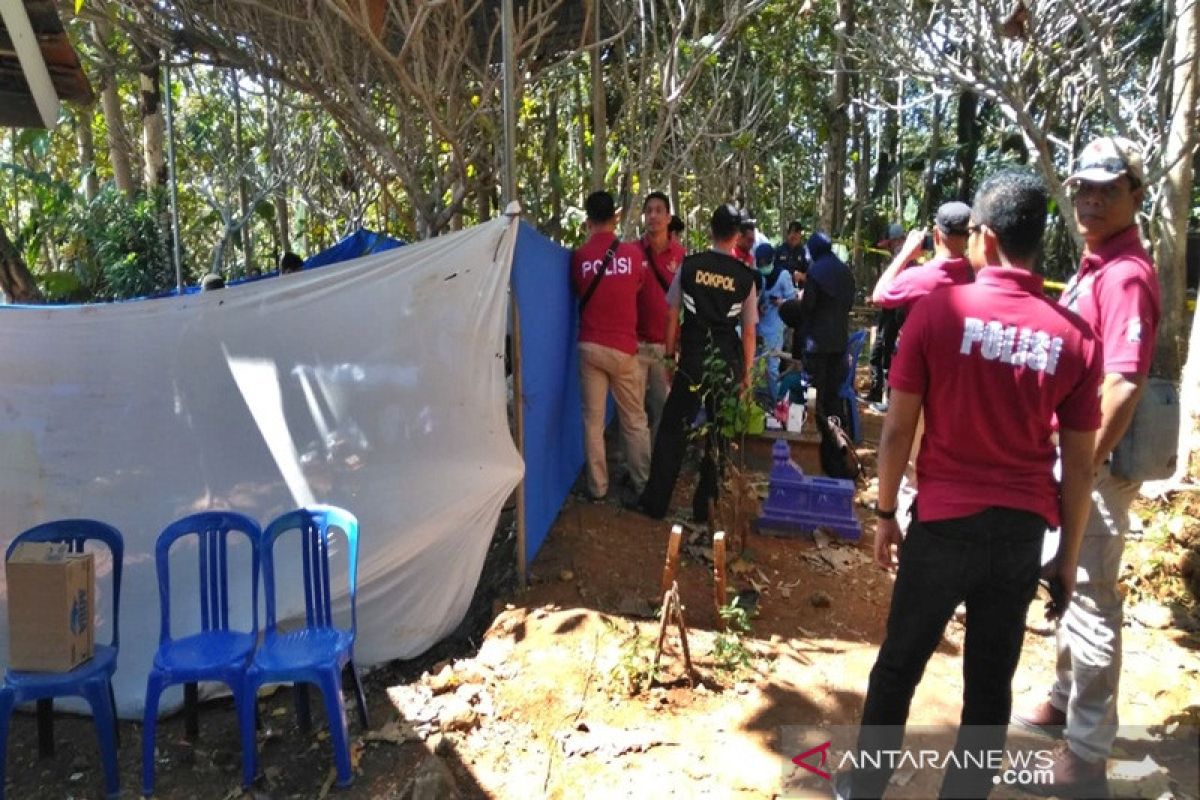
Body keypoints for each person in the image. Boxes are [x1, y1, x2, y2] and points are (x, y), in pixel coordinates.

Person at [841, 170, 1103, 800]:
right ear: (1039, 241)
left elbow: (899, 428)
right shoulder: (1073, 338)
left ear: (984, 237)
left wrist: (884, 513)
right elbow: (1081, 464)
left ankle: (865, 787)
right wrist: (1065, 560)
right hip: (1019, 534)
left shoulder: (936, 314)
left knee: (901, 660)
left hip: (943, 525)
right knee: (990, 684)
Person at [1012, 137, 1161, 797]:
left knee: (1094, 594)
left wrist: (1081, 465)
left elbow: (1123, 385)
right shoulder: (1098, 264)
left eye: (1109, 189)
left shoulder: (1126, 274)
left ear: (1135, 194)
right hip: (1079, 457)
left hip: (1094, 461)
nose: (1092, 199)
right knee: (1066, 579)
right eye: (1084, 188)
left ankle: (1087, 753)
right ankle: (1064, 695)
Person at [633, 203, 758, 523]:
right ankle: (707, 508)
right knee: (719, 435)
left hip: (692, 360)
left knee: (672, 430)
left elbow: (672, 315)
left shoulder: (689, 267)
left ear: (711, 230)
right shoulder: (745, 277)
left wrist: (671, 357)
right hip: (725, 365)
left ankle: (655, 503)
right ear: (735, 235)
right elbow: (748, 333)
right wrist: (746, 374)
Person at [570, 190, 652, 503]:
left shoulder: (580, 258)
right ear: (615, 218)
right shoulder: (633, 255)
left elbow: (578, 291)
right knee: (634, 419)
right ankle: (642, 481)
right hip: (624, 348)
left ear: (588, 220)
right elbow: (639, 287)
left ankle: (597, 488)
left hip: (590, 347)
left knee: (592, 421)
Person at [793, 232, 855, 477]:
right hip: (839, 345)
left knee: (814, 400)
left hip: (816, 346)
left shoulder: (816, 272)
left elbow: (807, 307)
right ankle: (842, 453)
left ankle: (825, 457)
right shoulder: (845, 272)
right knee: (832, 400)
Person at [636, 191, 687, 439]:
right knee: (633, 414)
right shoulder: (631, 252)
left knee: (661, 409)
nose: (653, 215)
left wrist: (674, 350)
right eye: (649, 210)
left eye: (659, 210)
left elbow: (684, 304)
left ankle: (656, 469)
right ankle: (632, 469)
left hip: (663, 347)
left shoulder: (681, 255)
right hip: (633, 346)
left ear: (668, 217)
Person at [870, 201, 974, 311]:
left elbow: (878, 295)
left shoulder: (915, 277)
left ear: (936, 234)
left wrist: (906, 253)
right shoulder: (977, 276)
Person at [865, 223, 906, 409]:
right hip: (888, 317)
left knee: (889, 358)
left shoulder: (908, 264)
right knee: (878, 354)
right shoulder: (897, 263)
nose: (889, 249)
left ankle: (890, 400)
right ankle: (876, 394)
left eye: (890, 244)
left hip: (898, 318)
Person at [755, 242, 798, 403]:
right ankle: (759, 401)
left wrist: (781, 302)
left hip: (776, 325)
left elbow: (793, 302)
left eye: (765, 263)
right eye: (760, 264)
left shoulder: (783, 275)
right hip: (759, 324)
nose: (763, 266)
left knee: (772, 366)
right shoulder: (759, 275)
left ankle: (777, 402)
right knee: (756, 366)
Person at [774, 220, 810, 286]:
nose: (795, 236)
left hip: (796, 290)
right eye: (793, 233)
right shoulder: (779, 250)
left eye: (798, 233)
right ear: (788, 234)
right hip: (780, 288)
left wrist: (801, 275)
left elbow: (808, 275)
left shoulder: (803, 252)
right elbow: (772, 271)